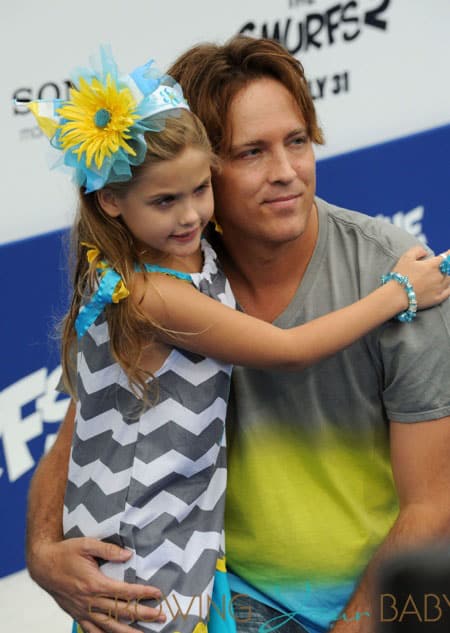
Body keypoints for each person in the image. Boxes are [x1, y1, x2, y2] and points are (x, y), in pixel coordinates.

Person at [25, 37, 450, 633]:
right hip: (205, 599)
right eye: (251, 152)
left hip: (365, 607)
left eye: (296, 141)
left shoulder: (397, 267)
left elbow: (432, 508)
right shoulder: (163, 275)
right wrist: (44, 552)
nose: (286, 174)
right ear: (201, 161)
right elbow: (86, 427)